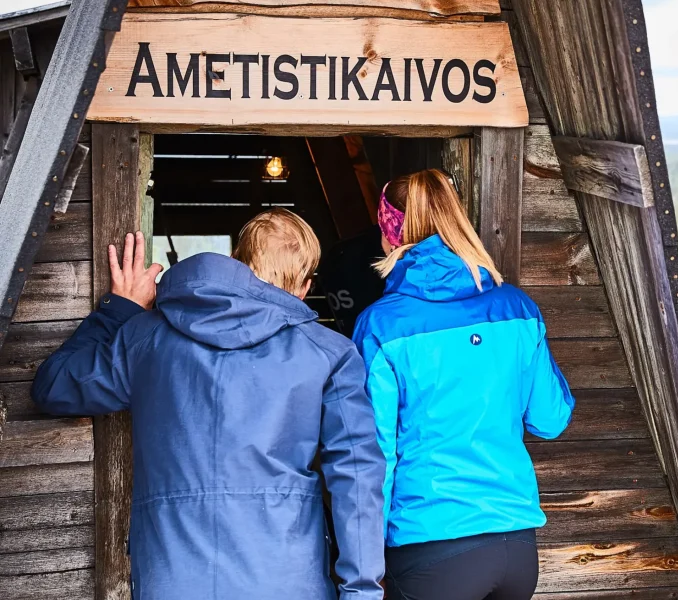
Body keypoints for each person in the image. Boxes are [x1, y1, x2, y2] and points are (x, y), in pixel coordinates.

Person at [32, 208, 385, 600]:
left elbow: (54, 386)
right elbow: (356, 476)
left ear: (237, 262)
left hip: (171, 580)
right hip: (286, 579)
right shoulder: (329, 353)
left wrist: (121, 309)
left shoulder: (145, 338)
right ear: (305, 285)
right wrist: (361, 591)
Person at [352, 170, 576, 600]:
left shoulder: (381, 325)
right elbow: (550, 419)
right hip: (515, 546)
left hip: (431, 546)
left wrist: (364, 559)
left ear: (390, 233)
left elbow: (375, 453)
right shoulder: (517, 308)